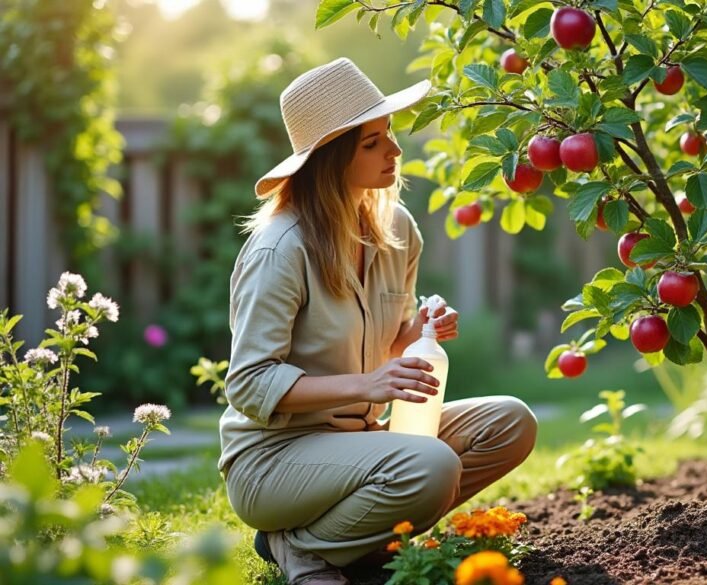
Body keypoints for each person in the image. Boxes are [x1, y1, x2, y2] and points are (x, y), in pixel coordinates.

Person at [218, 57, 538, 585]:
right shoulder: (280, 249)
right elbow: (249, 384)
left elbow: (387, 345)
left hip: (363, 439)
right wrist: (368, 384)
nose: (393, 149)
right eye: (371, 143)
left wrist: (422, 332)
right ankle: (300, 547)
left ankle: (352, 543)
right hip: (274, 459)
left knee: (511, 421)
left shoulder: (397, 229)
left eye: (387, 133)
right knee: (432, 467)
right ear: (331, 159)